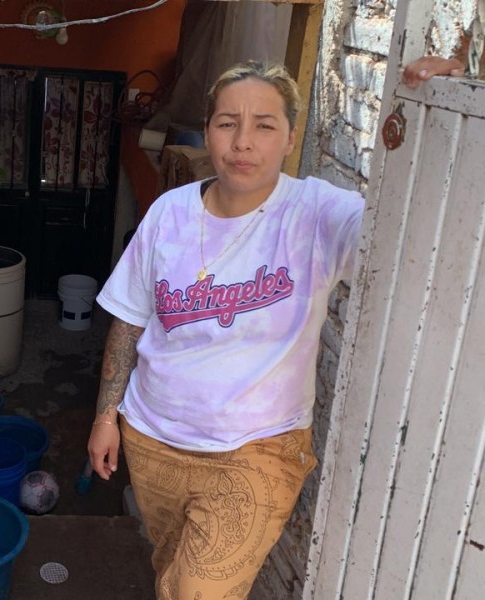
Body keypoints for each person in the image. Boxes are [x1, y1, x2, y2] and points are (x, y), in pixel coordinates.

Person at [87, 56, 465, 599]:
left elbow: (408, 225)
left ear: (291, 135)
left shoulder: (318, 214)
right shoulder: (169, 212)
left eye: (264, 125)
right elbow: (128, 320)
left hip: (255, 448)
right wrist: (107, 416)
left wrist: (435, 116)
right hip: (153, 439)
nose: (243, 141)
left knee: (197, 591)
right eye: (227, 123)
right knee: (170, 568)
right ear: (208, 129)